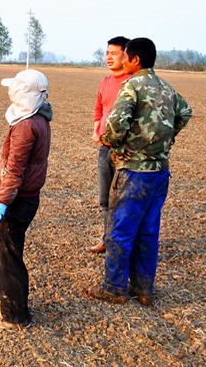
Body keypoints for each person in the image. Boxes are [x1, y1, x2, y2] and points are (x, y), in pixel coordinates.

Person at [85, 37, 192, 305]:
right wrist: (165, 137)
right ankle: (144, 290)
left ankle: (114, 288)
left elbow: (116, 124)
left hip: (134, 171)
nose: (121, 61)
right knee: (148, 232)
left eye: (125, 57)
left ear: (135, 60)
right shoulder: (165, 86)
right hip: (160, 172)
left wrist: (112, 142)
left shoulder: (132, 85)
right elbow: (185, 112)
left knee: (119, 231)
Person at [0, 69, 52, 330]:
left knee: (10, 256)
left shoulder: (26, 125)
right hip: (23, 197)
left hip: (18, 200)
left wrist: (1, 202)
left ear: (24, 93)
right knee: (5, 250)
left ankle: (15, 315)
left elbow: (15, 169)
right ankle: (1, 300)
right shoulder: (37, 118)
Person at [86, 36, 132, 254]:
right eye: (107, 53)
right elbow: (99, 109)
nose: (108, 57)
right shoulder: (105, 82)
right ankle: (107, 240)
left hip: (126, 152)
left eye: (114, 53)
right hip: (104, 149)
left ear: (127, 56)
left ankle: (124, 245)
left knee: (124, 201)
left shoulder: (133, 83)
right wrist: (97, 129)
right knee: (105, 200)